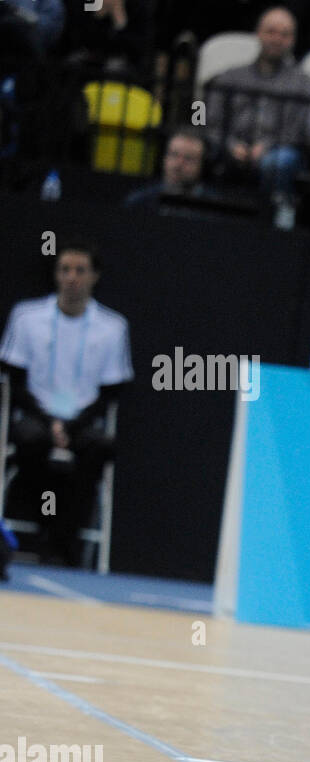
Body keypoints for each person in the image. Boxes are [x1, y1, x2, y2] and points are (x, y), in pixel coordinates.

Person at [0, 244, 132, 566]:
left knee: (99, 448)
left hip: (84, 422)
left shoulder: (113, 327)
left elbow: (110, 393)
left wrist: (71, 427)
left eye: (80, 270)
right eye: (65, 270)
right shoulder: (26, 317)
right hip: (36, 417)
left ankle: (63, 541)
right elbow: (13, 382)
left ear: (94, 276)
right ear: (56, 275)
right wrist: (51, 424)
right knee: (32, 441)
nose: (72, 278)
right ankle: (46, 531)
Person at [205, 6, 310, 196]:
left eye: (284, 35)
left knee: (279, 161)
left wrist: (268, 145)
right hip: (227, 146)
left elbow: (307, 132)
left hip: (279, 152)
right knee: (193, 147)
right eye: (271, 32)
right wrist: (230, 144)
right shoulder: (228, 77)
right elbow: (203, 116)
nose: (277, 39)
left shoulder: (305, 85)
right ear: (258, 34)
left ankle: (271, 219)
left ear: (293, 40)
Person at [124, 128, 220, 212]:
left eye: (189, 158)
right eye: (174, 154)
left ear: (202, 165)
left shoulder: (214, 207)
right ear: (164, 158)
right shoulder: (139, 203)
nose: (178, 164)